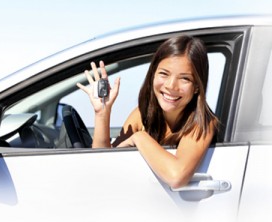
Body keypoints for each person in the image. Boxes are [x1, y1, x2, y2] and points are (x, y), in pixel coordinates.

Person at [76, 35, 219, 188]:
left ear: (197, 86)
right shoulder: (141, 115)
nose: (171, 86)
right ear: (152, 75)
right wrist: (102, 114)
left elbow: (176, 177)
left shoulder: (203, 123)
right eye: (164, 74)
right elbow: (103, 163)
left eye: (184, 79)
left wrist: (139, 137)